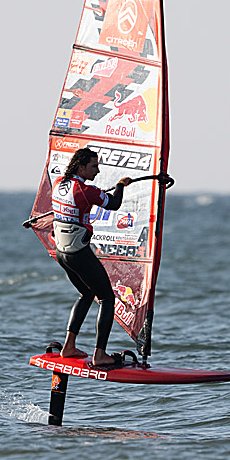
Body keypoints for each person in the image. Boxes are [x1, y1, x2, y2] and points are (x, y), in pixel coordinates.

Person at [50, 147, 132, 368]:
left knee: (86, 293)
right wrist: (121, 186)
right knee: (106, 298)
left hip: (62, 253)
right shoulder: (86, 190)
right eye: (94, 166)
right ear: (81, 166)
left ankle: (69, 346)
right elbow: (114, 204)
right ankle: (100, 355)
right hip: (78, 253)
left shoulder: (59, 185)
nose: (98, 170)